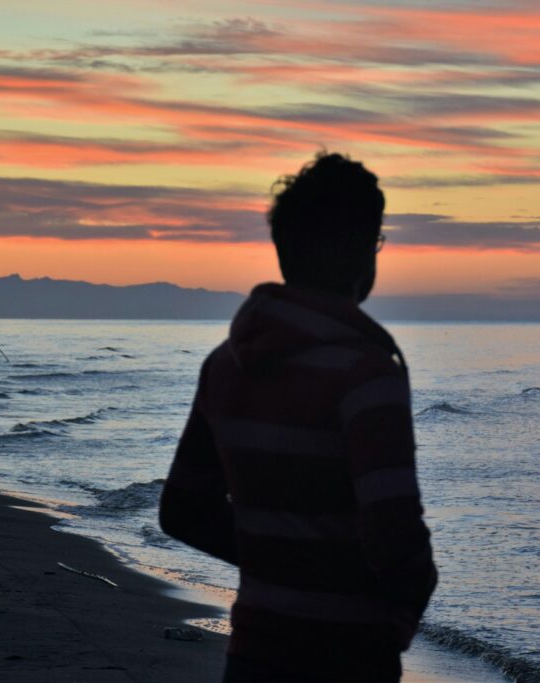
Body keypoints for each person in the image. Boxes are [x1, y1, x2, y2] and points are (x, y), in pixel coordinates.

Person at [160, 152, 437, 682]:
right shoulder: (366, 372)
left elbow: (181, 510)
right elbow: (395, 536)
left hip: (253, 656)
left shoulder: (224, 364)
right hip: (349, 658)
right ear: (359, 250)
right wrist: (397, 621)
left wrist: (275, 561)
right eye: (375, 239)